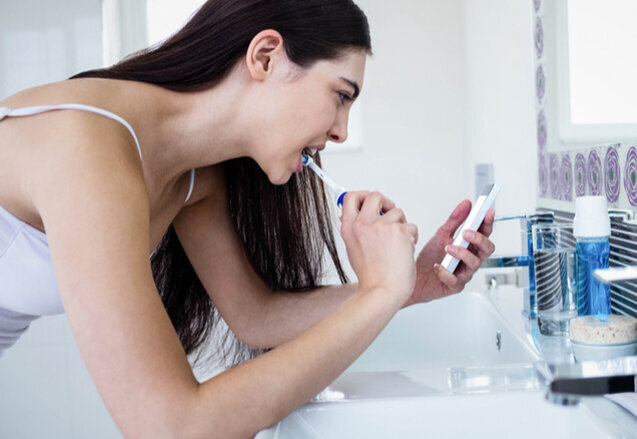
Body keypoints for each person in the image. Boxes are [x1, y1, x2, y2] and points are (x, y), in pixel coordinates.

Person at [0, 0, 495, 436]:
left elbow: (258, 317)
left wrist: (411, 285)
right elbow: (171, 428)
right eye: (341, 95)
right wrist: (379, 294)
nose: (341, 132)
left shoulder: (196, 177)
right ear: (265, 57)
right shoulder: (89, 150)